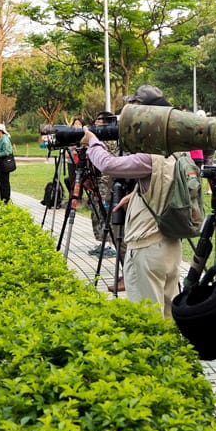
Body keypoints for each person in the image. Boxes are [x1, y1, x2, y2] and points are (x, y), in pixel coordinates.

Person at [81, 84, 182, 317]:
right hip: (171, 244)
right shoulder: (177, 149)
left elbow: (108, 165)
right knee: (168, 313)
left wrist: (92, 141)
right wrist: (137, 194)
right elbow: (164, 184)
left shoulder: (150, 154)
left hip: (147, 247)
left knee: (147, 317)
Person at [87, 111, 118, 258]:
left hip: (106, 182)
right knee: (96, 211)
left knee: (106, 211)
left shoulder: (110, 139)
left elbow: (108, 161)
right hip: (97, 180)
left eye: (99, 120)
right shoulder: (98, 138)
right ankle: (101, 241)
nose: (96, 122)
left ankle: (109, 243)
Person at [0, 123, 14, 203]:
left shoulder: (5, 139)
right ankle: (2, 198)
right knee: (1, 181)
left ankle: (6, 199)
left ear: (0, 131)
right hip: (1, 163)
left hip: (5, 164)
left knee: (4, 181)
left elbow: (7, 152)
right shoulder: (1, 138)